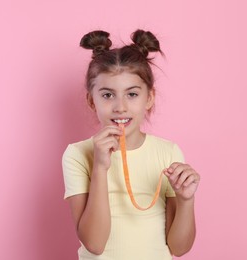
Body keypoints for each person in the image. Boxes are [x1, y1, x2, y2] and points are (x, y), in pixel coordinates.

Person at [62, 29, 200, 260]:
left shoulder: (168, 152)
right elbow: (94, 244)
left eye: (132, 94)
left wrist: (186, 200)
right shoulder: (77, 154)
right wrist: (100, 167)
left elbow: (179, 248)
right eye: (107, 95)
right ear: (91, 100)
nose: (120, 107)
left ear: (149, 98)